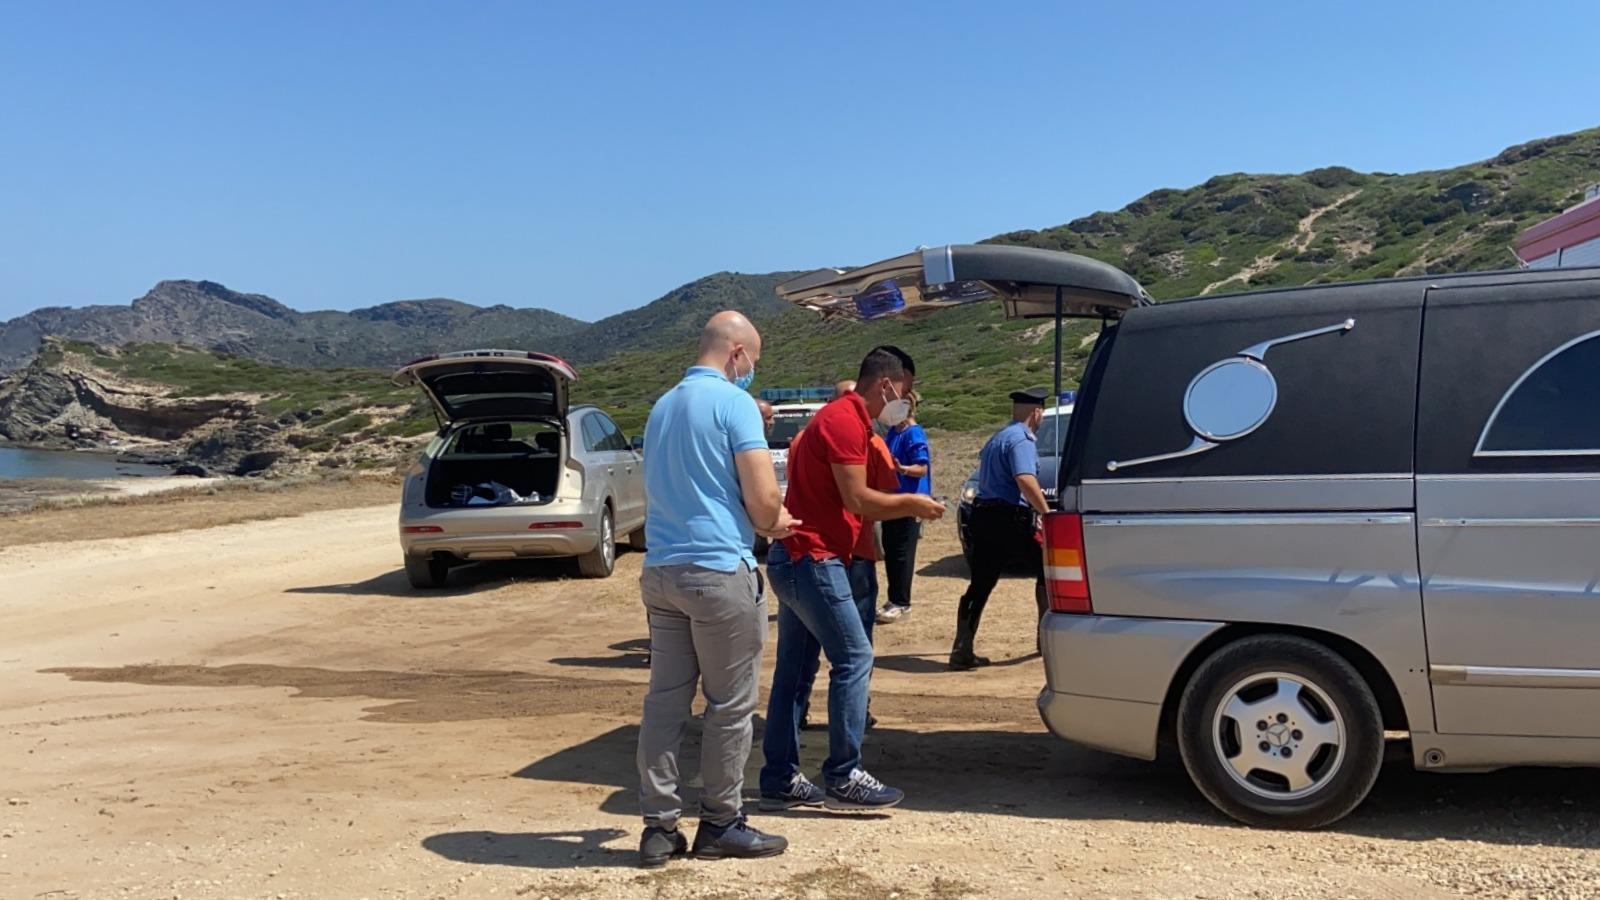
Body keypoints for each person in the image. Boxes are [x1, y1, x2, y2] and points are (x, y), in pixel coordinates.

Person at [635, 310, 799, 866]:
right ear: (737, 354)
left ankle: (658, 827)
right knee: (729, 705)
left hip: (662, 572)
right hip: (717, 571)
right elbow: (762, 500)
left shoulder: (662, 406)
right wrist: (776, 522)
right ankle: (721, 821)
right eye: (753, 359)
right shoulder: (734, 405)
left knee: (665, 700)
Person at [759, 346, 945, 812]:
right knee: (855, 657)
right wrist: (914, 504)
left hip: (798, 558)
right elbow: (859, 498)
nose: (904, 399)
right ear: (887, 383)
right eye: (904, 389)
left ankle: (780, 777)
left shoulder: (846, 421)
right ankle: (844, 774)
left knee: (797, 673)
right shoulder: (844, 420)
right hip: (814, 559)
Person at [792, 428, 897, 735]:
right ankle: (854, 718)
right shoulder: (870, 441)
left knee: (802, 647)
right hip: (854, 553)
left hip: (808, 553)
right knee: (856, 647)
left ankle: (797, 712)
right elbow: (883, 495)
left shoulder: (803, 438)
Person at [949, 387, 1051, 672]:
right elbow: (1025, 479)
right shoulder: (1022, 440)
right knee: (1047, 567)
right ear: (1037, 412)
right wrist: (1046, 513)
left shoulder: (999, 437)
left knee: (981, 582)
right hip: (1009, 517)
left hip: (984, 516)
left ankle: (962, 648)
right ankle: (1045, 640)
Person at [876, 391, 930, 625]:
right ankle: (893, 598)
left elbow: (922, 468)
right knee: (890, 548)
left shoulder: (914, 433)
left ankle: (901, 601)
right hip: (893, 499)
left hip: (909, 501)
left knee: (902, 553)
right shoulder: (892, 432)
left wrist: (902, 469)